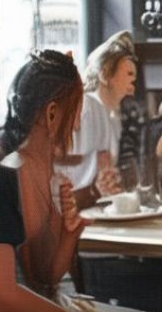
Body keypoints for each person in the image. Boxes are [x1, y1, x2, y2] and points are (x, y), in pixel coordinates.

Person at [0, 50, 87, 312]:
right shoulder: (12, 172)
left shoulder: (47, 171)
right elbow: (13, 293)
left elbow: (47, 275)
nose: (77, 124)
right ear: (52, 113)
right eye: (77, 110)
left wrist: (69, 233)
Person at [55, 31, 137, 209]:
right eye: (128, 73)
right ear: (105, 74)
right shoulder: (87, 107)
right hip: (70, 208)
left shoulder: (113, 118)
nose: (133, 80)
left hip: (94, 207)